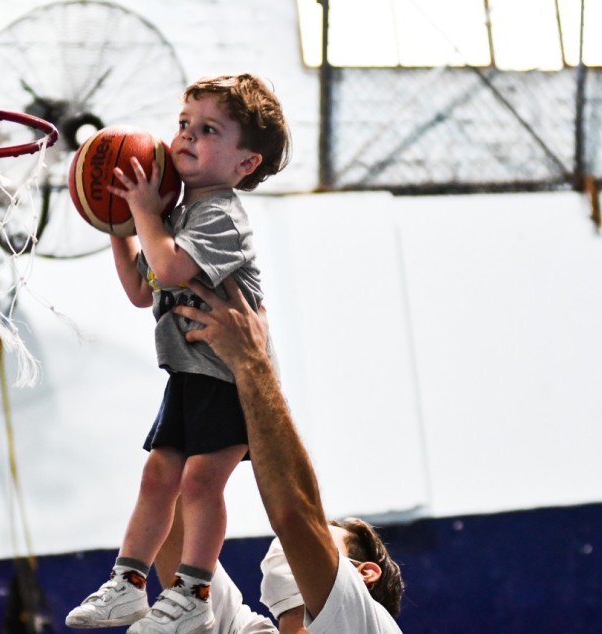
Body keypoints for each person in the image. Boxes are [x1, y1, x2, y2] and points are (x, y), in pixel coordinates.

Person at [65, 73, 290, 634]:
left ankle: (192, 591)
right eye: (184, 124)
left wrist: (142, 213)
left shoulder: (222, 217)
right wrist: (118, 226)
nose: (186, 136)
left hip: (233, 378)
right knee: (157, 475)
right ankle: (130, 581)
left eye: (208, 129)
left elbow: (168, 269)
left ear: (245, 163)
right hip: (190, 372)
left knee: (198, 483)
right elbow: (144, 290)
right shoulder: (176, 218)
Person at [167, 277, 405, 633]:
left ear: (363, 573)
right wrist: (202, 363)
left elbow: (295, 515)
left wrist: (251, 360)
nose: (289, 547)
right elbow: (171, 528)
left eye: (323, 530)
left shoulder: (365, 626)